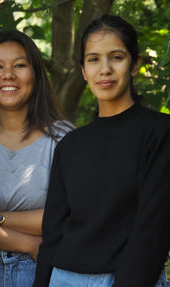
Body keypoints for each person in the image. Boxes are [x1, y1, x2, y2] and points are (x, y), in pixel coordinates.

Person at [34, 14, 170, 287]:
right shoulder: (70, 145)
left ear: (135, 64)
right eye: (93, 59)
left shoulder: (160, 132)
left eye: (116, 57)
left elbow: (153, 231)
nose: (104, 69)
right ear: (84, 71)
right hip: (64, 279)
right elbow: (52, 234)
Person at [0, 29, 72, 287]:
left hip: (44, 274)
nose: (8, 74)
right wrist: (30, 243)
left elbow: (67, 216)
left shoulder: (63, 138)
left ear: (36, 74)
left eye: (20, 65)